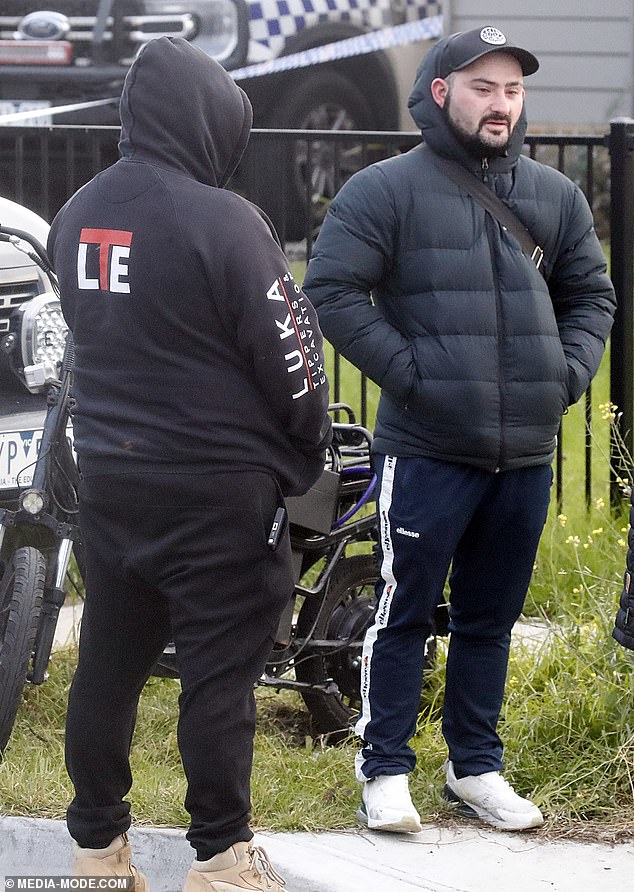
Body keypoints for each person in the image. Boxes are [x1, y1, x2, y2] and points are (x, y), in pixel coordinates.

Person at [303, 26, 616, 834]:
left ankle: (475, 768)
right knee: (403, 610)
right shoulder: (384, 190)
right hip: (430, 448)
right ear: (441, 92)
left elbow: (593, 298)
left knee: (490, 620)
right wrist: (417, 378)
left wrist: (565, 376)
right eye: (484, 87)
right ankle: (385, 772)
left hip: (525, 455)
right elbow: (333, 291)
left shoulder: (556, 196)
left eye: (512, 90)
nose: (502, 104)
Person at [47, 36, 331, 891]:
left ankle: (97, 850)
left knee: (107, 665)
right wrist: (304, 448)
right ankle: (221, 857)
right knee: (218, 680)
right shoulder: (223, 218)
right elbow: (292, 359)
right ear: (208, 119)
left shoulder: (75, 213)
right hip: (216, 492)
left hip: (112, 481)